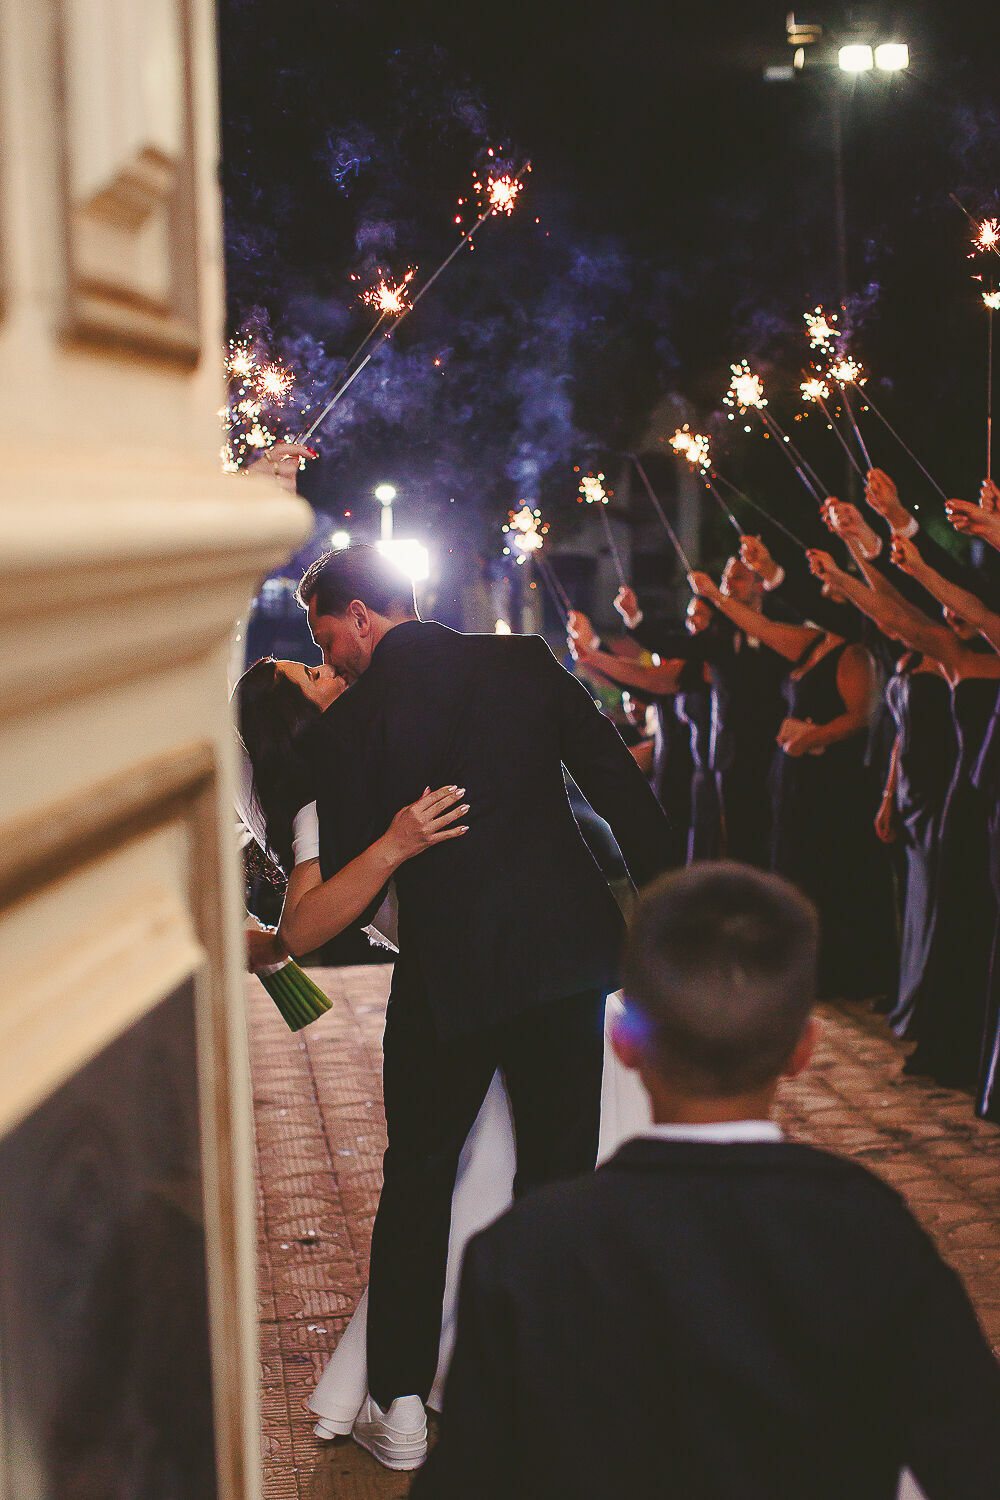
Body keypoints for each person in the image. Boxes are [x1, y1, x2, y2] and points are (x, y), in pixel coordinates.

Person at [414, 864, 1000, 1500]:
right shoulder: (870, 1227)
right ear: (804, 1049)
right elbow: (969, 1456)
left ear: (623, 1041)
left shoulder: (525, 1246)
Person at [296, 544, 672, 1468]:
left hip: (447, 981)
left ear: (357, 616)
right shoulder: (523, 663)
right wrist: (676, 914)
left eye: (325, 638)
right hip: (564, 966)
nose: (332, 657)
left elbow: (345, 885)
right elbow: (620, 787)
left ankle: (405, 1408)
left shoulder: (349, 726)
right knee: (559, 1180)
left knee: (418, 1181)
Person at [688, 569, 896, 1000]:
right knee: (793, 867)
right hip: (795, 776)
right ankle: (800, 969)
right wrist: (715, 597)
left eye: (828, 593)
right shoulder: (813, 644)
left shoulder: (856, 653)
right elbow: (759, 627)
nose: (817, 596)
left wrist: (811, 736)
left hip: (833, 782)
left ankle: (839, 973)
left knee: (828, 871)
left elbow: (862, 716)